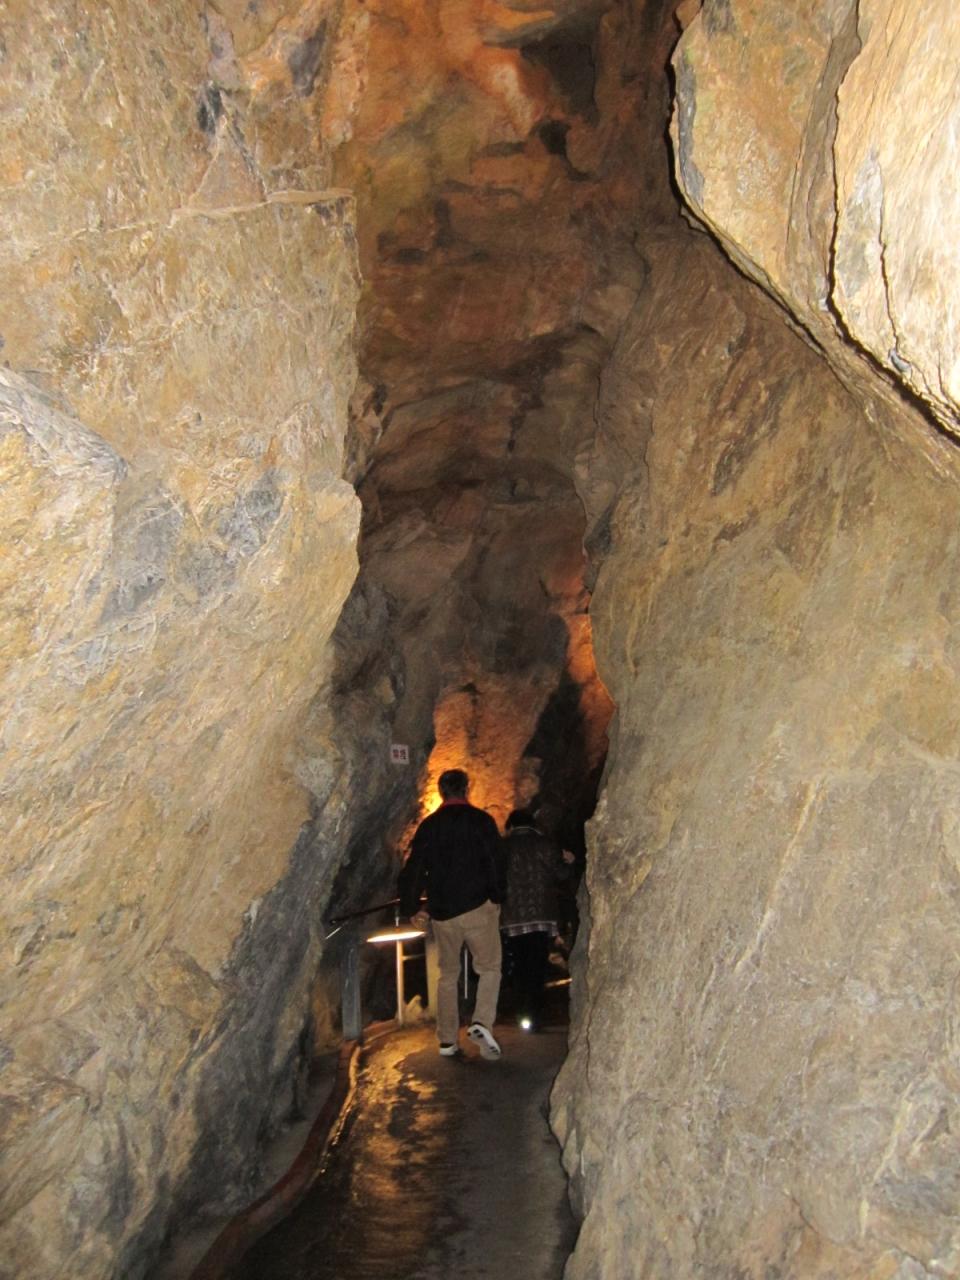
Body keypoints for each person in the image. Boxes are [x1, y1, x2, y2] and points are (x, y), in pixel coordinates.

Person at [398, 769, 506, 1059]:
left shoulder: (429, 826)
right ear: (466, 789)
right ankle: (481, 1022)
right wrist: (497, 896)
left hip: (443, 911)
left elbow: (415, 868)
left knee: (447, 974)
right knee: (489, 968)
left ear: (441, 791)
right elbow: (496, 861)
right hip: (478, 906)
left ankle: (447, 1040)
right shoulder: (481, 821)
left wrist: (411, 908)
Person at [500, 809, 574, 1031]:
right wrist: (569, 862)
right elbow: (561, 874)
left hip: (512, 918)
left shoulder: (503, 847)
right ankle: (534, 1014)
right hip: (541, 916)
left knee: (519, 965)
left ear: (511, 825)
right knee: (537, 965)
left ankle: (521, 1013)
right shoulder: (545, 844)